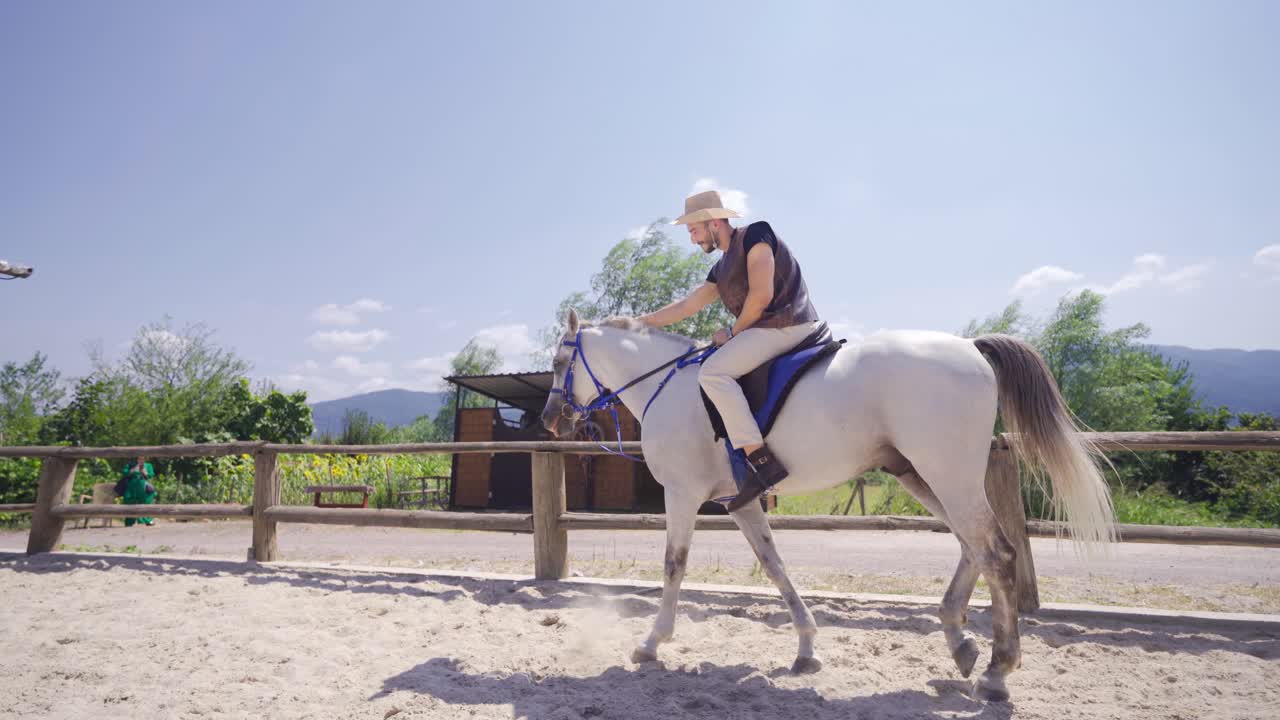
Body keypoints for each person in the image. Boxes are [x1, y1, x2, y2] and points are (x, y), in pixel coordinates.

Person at [638, 190, 821, 511]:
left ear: (714, 223)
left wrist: (732, 333)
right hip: (765, 331)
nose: (693, 239)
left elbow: (761, 296)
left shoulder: (757, 235)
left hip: (787, 325)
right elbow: (687, 305)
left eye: (694, 230)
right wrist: (639, 323)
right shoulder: (720, 269)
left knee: (714, 371)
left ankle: (761, 462)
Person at [116, 456, 158, 527]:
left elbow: (151, 475)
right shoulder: (130, 464)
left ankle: (148, 520)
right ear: (136, 459)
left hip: (143, 485)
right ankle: (129, 521)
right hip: (131, 485)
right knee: (130, 502)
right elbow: (124, 473)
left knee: (146, 501)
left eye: (143, 458)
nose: (141, 460)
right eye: (139, 458)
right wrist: (133, 470)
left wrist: (145, 473)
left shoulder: (148, 465)